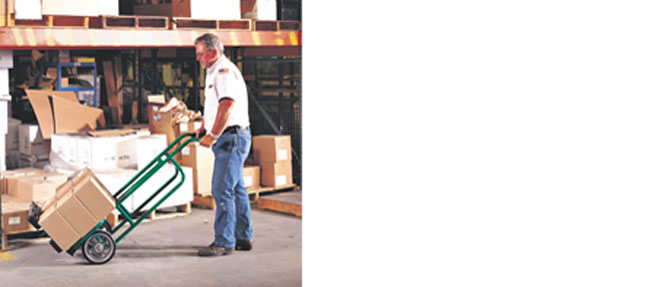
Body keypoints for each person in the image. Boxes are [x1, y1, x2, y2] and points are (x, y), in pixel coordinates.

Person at [194, 33, 253, 257]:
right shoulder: (214, 72)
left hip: (230, 138)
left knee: (221, 190)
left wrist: (214, 134)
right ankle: (243, 236)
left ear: (213, 52)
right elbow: (216, 105)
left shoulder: (223, 71)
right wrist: (204, 125)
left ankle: (224, 242)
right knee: (237, 189)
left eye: (200, 54)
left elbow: (227, 104)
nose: (198, 59)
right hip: (230, 137)